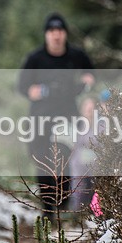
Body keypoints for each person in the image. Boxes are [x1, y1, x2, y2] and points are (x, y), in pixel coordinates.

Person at [17, 12, 94, 216]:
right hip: (40, 118)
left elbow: (91, 74)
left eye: (59, 31)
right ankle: (48, 210)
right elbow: (22, 87)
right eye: (51, 31)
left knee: (67, 161)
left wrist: (83, 86)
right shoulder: (35, 58)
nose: (56, 35)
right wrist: (42, 91)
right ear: (46, 35)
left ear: (65, 34)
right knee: (42, 162)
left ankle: (64, 206)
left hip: (68, 117)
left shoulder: (76, 56)